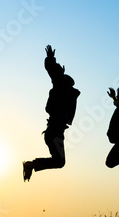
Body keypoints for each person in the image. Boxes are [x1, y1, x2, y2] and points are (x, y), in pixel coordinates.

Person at [23, 45, 80, 181]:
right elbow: (52, 71)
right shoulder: (61, 88)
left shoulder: (63, 90)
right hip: (54, 132)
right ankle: (30, 164)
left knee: (59, 162)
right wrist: (50, 58)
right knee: (59, 162)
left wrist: (56, 67)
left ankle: (31, 165)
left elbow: (55, 74)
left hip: (55, 132)